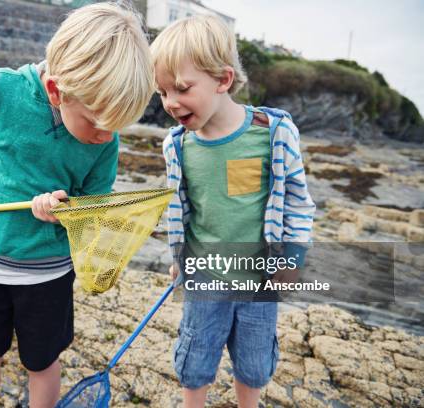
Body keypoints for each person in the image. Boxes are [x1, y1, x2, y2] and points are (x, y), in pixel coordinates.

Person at [0, 3, 154, 407]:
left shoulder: (104, 141)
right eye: (96, 123)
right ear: (56, 91)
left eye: (117, 127)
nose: (106, 138)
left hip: (48, 278)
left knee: (43, 363)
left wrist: (69, 210)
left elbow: (94, 206)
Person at [151, 15, 315, 408]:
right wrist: (180, 258)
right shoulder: (176, 146)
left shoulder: (273, 133)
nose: (171, 103)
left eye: (182, 88)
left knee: (255, 363)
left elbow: (298, 201)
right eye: (161, 93)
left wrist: (292, 260)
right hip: (205, 277)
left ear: (223, 80)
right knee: (195, 359)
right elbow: (181, 208)